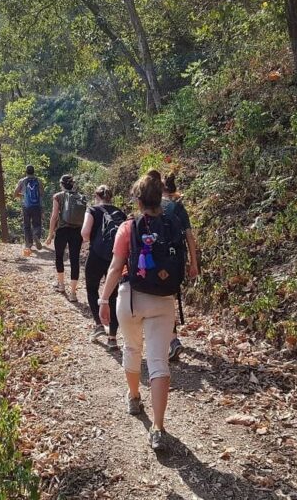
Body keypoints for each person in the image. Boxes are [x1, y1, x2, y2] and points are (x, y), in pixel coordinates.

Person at [98, 174, 186, 451]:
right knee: (160, 362)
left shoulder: (128, 227)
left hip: (131, 296)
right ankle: (159, 428)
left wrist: (103, 299)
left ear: (137, 200)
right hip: (163, 300)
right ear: (160, 197)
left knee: (132, 349)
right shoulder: (174, 224)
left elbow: (115, 268)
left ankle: (134, 397)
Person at [81, 185, 126, 350]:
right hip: (116, 258)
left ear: (96, 195)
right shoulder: (120, 213)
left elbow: (85, 233)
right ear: (110, 196)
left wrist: (93, 238)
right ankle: (113, 338)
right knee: (113, 296)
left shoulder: (92, 210)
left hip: (96, 256)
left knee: (92, 289)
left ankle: (99, 325)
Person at [160, 172, 199, 361]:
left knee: (163, 299)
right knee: (170, 297)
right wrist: (194, 263)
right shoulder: (178, 208)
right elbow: (189, 237)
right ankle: (171, 339)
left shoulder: (155, 205)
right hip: (177, 260)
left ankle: (172, 340)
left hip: (159, 261)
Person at [45, 174, 86, 302]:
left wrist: (50, 234)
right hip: (77, 231)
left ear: (61, 184)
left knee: (59, 256)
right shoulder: (81, 197)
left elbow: (54, 216)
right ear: (73, 184)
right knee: (74, 260)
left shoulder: (58, 196)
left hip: (62, 231)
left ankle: (61, 285)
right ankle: (73, 293)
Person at [14, 165, 44, 254]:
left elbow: (15, 193)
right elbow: (42, 193)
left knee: (27, 225)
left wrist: (22, 196)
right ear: (34, 171)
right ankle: (36, 236)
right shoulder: (38, 181)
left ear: (26, 172)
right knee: (37, 224)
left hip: (26, 206)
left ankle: (28, 243)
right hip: (36, 206)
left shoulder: (22, 181)